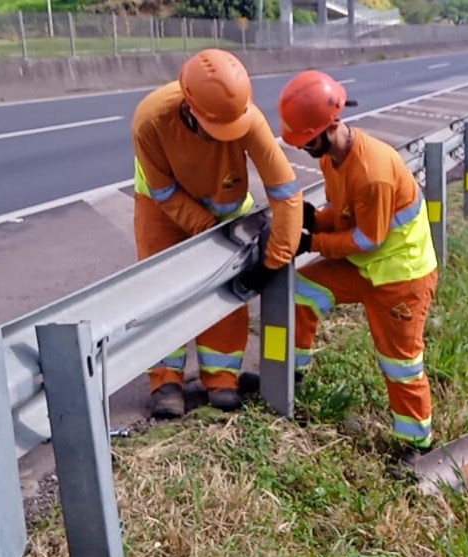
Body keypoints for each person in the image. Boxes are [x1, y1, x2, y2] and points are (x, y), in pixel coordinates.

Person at [132, 49, 303, 418]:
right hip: (162, 207)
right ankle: (166, 380)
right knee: (163, 290)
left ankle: (222, 377)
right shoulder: (151, 120)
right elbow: (164, 192)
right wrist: (208, 233)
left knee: (228, 287)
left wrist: (274, 259)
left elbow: (286, 192)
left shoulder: (247, 118)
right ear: (190, 108)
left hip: (225, 205)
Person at [277, 70, 439, 454]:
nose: (303, 148)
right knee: (300, 290)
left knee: (400, 363)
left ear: (329, 127)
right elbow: (346, 214)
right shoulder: (331, 160)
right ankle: (289, 376)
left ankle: (417, 445)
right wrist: (317, 219)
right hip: (366, 266)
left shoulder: (373, 173)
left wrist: (312, 241)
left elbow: (367, 239)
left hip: (400, 276)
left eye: (306, 140)